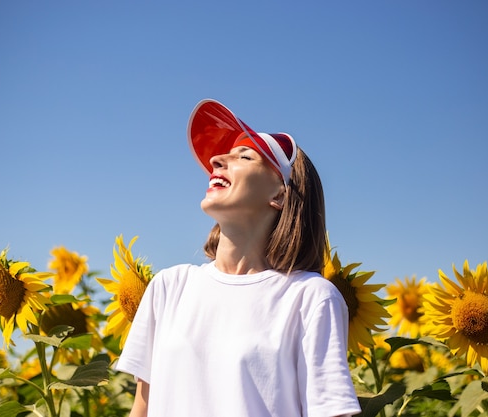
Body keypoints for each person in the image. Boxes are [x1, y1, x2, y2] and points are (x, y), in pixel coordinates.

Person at [116, 99, 361, 417]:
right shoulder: (169, 287)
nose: (216, 160)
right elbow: (142, 408)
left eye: (244, 156)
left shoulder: (310, 298)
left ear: (279, 195)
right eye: (221, 156)